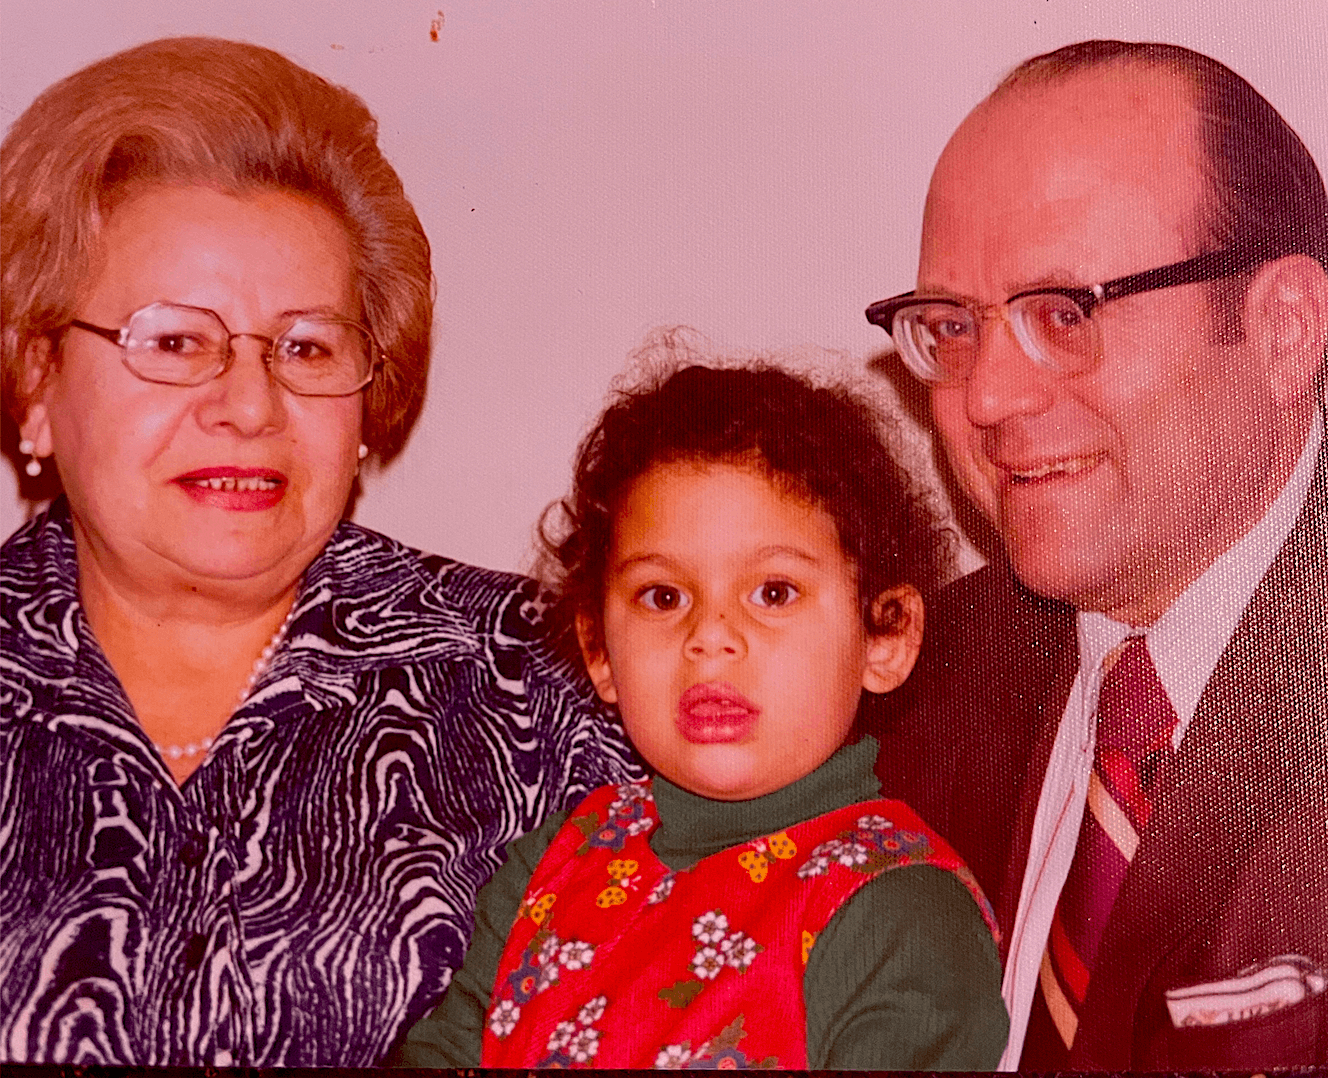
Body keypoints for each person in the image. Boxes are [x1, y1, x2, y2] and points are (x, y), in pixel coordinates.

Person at [0, 37, 640, 1067]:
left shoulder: (545, 687)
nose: (251, 406)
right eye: (171, 340)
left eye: (305, 346)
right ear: (36, 381)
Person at [862, 40, 1328, 1069]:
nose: (984, 399)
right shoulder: (904, 690)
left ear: (1282, 331)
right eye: (949, 325)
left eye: (1061, 314)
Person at [396, 362, 1009, 1069]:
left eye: (773, 593)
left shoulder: (900, 911)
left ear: (885, 635)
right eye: (663, 597)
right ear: (598, 648)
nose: (710, 636)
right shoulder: (557, 862)